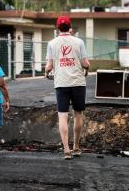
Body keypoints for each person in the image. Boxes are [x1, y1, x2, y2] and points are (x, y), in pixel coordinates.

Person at [45, 15, 90, 160]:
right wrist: (87, 68)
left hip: (61, 83)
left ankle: (66, 150)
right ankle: (76, 147)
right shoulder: (79, 42)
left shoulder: (52, 43)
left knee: (62, 116)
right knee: (78, 114)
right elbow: (85, 64)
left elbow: (49, 66)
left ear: (58, 28)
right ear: (70, 27)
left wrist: (46, 72)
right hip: (78, 83)